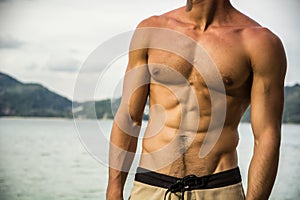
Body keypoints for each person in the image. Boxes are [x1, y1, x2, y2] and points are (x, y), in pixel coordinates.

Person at [106, 0, 287, 199]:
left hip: (219, 188)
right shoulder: (151, 30)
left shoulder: (260, 43)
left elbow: (267, 136)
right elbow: (129, 117)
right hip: (151, 187)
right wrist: (114, 190)